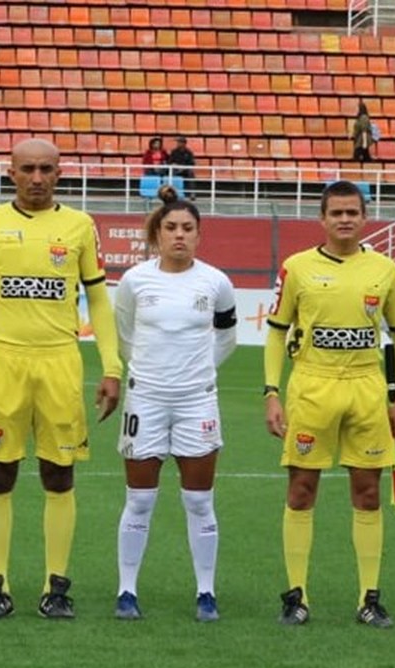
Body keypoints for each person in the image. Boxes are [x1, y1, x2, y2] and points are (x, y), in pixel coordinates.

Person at [0, 138, 122, 620]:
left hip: (60, 361)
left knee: (58, 473)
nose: (38, 178)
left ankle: (55, 587)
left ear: (59, 173)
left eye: (47, 169)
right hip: (2, 359)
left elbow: (100, 300)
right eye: (28, 169)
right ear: (12, 174)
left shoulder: (80, 226)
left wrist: (111, 367)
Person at [263, 180, 395, 628]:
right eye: (337, 213)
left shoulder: (385, 270)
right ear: (322, 218)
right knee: (301, 490)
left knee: (368, 494)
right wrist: (272, 392)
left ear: (364, 217)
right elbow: (276, 330)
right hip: (312, 386)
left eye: (352, 212)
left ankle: (369, 597)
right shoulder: (297, 268)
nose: (345, 219)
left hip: (367, 389)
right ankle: (297, 596)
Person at [112, 186, 236, 623]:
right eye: (171, 228)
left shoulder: (216, 282)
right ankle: (127, 590)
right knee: (140, 499)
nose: (179, 235)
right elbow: (124, 334)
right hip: (144, 398)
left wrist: (199, 372)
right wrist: (149, 372)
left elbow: (226, 336)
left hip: (196, 402)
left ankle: (206, 592)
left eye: (188, 228)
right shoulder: (135, 281)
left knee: (199, 501)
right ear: (157, 234)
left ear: (199, 235)